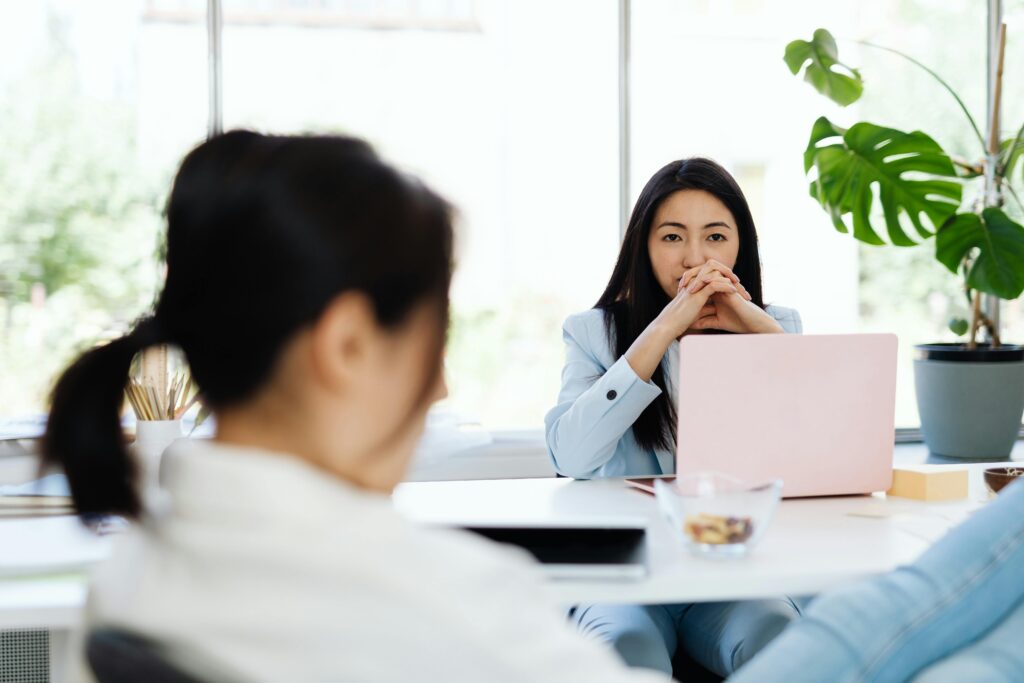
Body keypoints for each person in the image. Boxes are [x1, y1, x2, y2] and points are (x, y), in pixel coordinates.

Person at [43, 133, 1024, 683]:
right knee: (967, 641)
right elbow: (570, 456)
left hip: (727, 567)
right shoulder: (439, 603)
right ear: (346, 344)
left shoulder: (135, 568)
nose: (437, 388)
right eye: (431, 345)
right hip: (637, 589)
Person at [545, 158, 803, 676]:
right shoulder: (592, 333)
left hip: (731, 567)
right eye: (671, 237)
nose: (694, 258)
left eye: (715, 237)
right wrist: (663, 329)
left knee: (778, 638)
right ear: (644, 246)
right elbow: (569, 456)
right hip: (628, 577)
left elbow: (822, 435)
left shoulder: (777, 327)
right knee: (627, 649)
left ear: (740, 246)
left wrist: (755, 326)